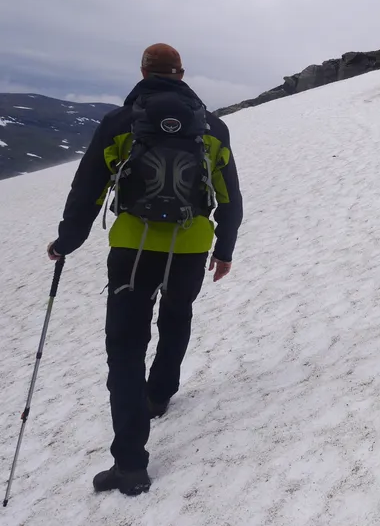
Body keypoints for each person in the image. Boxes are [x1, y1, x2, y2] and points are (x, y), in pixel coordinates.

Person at [46, 43, 243, 495]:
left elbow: (89, 188)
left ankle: (130, 464)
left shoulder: (121, 122)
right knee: (177, 315)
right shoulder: (212, 127)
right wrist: (225, 248)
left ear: (142, 71)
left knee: (126, 346)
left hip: (132, 250)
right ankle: (160, 394)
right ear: (181, 73)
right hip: (192, 246)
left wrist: (67, 241)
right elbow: (228, 195)